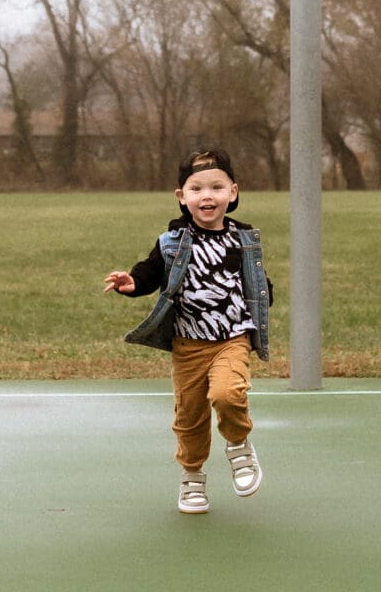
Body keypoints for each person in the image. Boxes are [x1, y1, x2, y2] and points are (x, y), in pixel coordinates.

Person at [104, 145, 275, 515]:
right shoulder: (173, 241)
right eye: (196, 189)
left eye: (216, 187)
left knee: (228, 394)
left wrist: (262, 299)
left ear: (233, 192)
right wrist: (132, 281)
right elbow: (151, 271)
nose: (207, 196)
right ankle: (193, 475)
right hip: (189, 343)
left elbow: (258, 282)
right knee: (191, 417)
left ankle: (238, 444)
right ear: (182, 197)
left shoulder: (244, 240)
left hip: (232, 337)